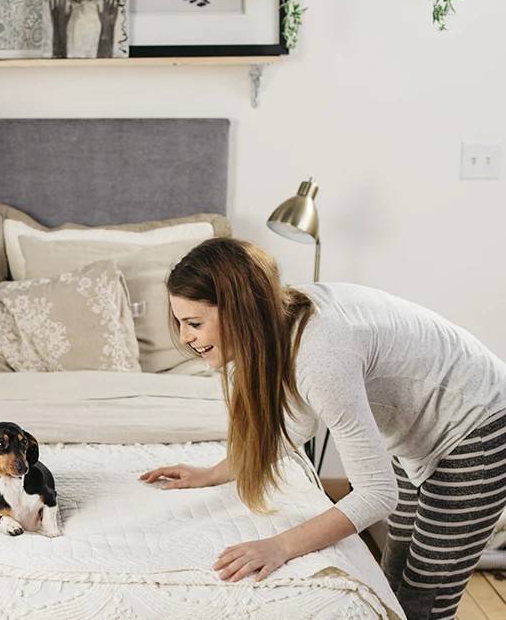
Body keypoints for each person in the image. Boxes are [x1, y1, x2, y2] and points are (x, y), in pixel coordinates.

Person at [139, 237, 506, 620]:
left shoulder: (321, 350)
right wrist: (216, 472)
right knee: (397, 579)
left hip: (479, 428)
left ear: (240, 311)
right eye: (181, 323)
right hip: (421, 430)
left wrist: (280, 546)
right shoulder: (280, 322)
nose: (184, 338)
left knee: (424, 600)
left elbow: (378, 494)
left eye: (194, 323)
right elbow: (298, 422)